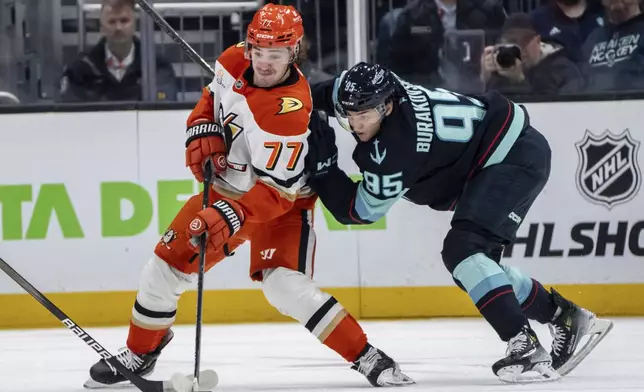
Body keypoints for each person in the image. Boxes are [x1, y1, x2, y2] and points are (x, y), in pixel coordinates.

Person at [83, 4, 413, 389]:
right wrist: (201, 125)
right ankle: (140, 355)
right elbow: (211, 96)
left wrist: (229, 215)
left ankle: (367, 356)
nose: (265, 62)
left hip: (282, 202)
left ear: (294, 51)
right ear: (249, 44)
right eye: (259, 51)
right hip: (228, 188)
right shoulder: (234, 58)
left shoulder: (287, 112)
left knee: (283, 286)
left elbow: (278, 192)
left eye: (275, 54)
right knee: (162, 270)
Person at [305, 62, 613, 382]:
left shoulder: (394, 151)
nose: (355, 124)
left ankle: (525, 347)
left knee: (463, 252)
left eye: (364, 115)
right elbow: (322, 93)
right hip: (506, 151)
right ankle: (565, 318)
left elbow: (358, 212)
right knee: (476, 265)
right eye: (348, 115)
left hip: (511, 158)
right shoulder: (383, 85)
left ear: (388, 105)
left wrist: (325, 169)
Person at [59, 0, 177, 102]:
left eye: (124, 20)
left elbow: (163, 111)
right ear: (102, 28)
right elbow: (71, 116)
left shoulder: (157, 66)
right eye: (112, 22)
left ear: (134, 24)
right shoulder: (80, 69)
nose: (118, 27)